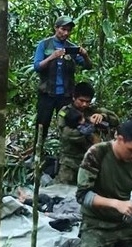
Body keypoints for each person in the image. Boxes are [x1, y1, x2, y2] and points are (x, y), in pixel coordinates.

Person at [33, 16, 92, 150]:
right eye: (63, 29)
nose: (66, 33)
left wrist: (85, 55)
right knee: (42, 124)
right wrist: (52, 57)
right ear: (56, 28)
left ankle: (65, 153)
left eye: (68, 30)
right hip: (47, 94)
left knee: (68, 123)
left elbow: (88, 66)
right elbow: (37, 66)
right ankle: (37, 153)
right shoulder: (45, 44)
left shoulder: (71, 47)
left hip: (65, 95)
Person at [55, 82, 119, 185]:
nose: (84, 104)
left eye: (87, 101)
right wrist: (89, 126)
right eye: (81, 101)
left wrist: (102, 116)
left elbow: (115, 120)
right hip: (70, 161)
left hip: (90, 161)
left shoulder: (92, 110)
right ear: (74, 97)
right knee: (62, 191)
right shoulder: (65, 112)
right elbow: (66, 134)